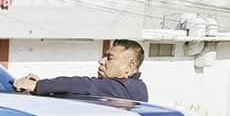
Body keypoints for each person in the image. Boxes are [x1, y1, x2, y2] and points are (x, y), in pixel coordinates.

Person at [13, 39, 148, 102]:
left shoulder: (133, 89)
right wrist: (45, 86)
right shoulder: (116, 89)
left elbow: (85, 85)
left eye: (109, 58)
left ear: (130, 67)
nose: (101, 61)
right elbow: (77, 92)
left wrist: (38, 86)